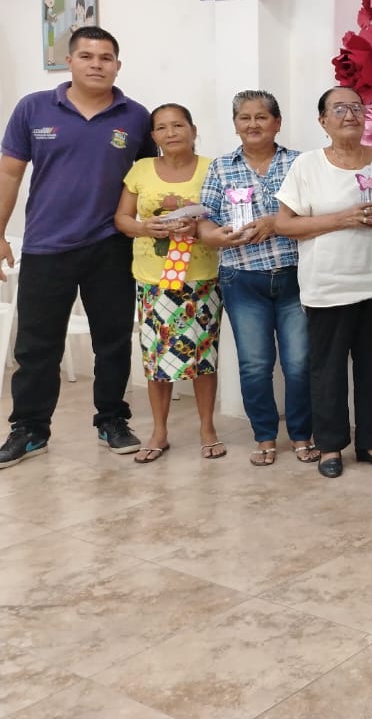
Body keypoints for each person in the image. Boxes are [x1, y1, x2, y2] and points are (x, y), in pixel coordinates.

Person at [0, 26, 153, 469]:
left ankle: (112, 420)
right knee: (36, 346)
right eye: (86, 56)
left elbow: (147, 179)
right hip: (46, 246)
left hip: (111, 246)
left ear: (118, 65)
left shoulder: (135, 116)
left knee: (113, 341)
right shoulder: (33, 108)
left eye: (106, 58)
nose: (96, 65)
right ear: (69, 61)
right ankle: (29, 429)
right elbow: (9, 173)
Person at [275, 87, 372, 479]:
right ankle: (329, 445)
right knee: (327, 370)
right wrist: (343, 218)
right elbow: (284, 224)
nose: (350, 115)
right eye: (339, 108)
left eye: (356, 107)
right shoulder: (307, 165)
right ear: (323, 120)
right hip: (326, 286)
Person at [198, 91, 315, 466]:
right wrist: (216, 236)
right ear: (235, 125)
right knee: (254, 364)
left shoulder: (300, 163)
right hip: (242, 278)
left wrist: (276, 223)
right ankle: (264, 436)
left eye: (261, 117)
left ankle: (302, 434)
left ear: (277, 123)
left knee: (299, 363)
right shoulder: (221, 167)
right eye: (244, 118)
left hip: (296, 276)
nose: (253, 124)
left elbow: (315, 214)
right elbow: (204, 222)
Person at [114, 104, 224, 461]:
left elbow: (225, 217)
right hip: (154, 281)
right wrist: (145, 227)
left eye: (178, 125)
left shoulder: (213, 168)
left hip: (201, 278)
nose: (171, 132)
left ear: (193, 129)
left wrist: (200, 228)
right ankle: (159, 432)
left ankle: (207, 428)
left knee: (204, 356)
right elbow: (122, 218)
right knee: (156, 359)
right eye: (161, 127)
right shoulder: (141, 169)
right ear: (153, 136)